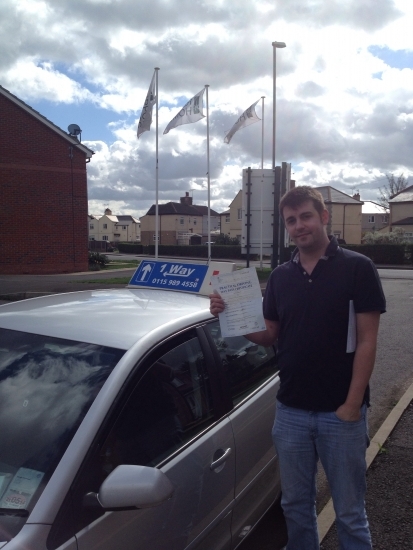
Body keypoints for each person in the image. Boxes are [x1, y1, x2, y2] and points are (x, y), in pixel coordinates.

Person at [209, 186, 386, 550]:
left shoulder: (357, 268)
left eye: (305, 216)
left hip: (341, 414)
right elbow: (270, 334)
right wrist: (233, 315)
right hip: (290, 411)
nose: (299, 226)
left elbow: (368, 340)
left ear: (323, 217)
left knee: (350, 512)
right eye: (291, 221)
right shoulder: (279, 277)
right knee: (295, 506)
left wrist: (352, 407)